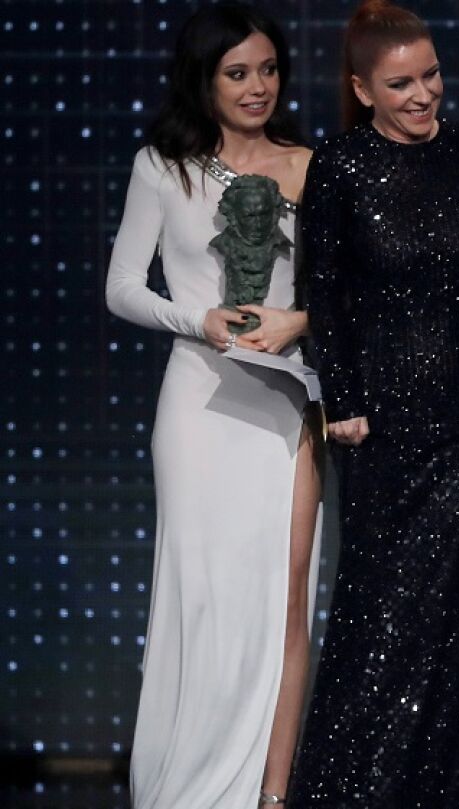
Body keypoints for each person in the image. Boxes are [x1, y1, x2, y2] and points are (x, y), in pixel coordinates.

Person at [287, 2, 459, 805]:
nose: (423, 94)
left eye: (431, 75)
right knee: (381, 619)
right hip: (381, 428)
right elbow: (323, 288)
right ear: (362, 88)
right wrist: (344, 398)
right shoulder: (340, 165)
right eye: (401, 84)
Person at [104, 3, 320, 807]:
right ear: (204, 80)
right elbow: (123, 287)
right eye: (237, 73)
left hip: (287, 400)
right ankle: (185, 787)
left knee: (282, 598)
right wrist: (197, 319)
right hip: (199, 404)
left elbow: (344, 289)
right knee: (202, 596)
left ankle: (270, 791)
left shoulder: (312, 166)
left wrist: (301, 321)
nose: (257, 86)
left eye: (268, 70)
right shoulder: (164, 167)